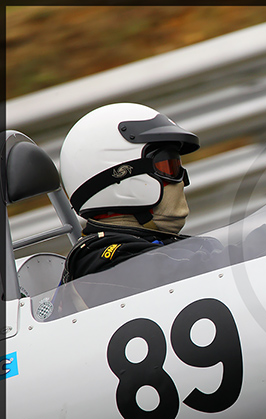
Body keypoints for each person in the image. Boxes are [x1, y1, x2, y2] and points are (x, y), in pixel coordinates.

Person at [59, 102, 224, 284]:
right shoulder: (98, 262)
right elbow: (165, 273)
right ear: (121, 177)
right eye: (169, 167)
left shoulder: (175, 246)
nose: (184, 180)